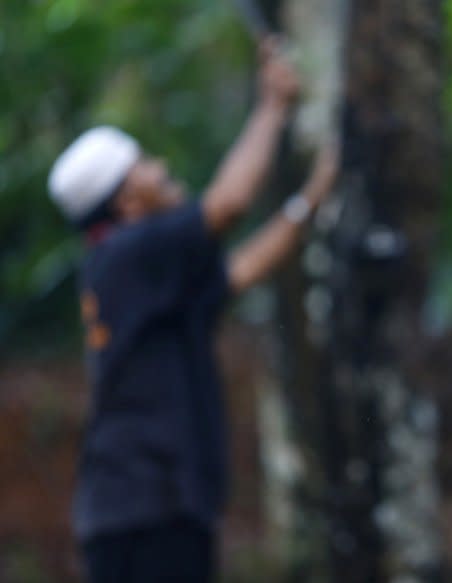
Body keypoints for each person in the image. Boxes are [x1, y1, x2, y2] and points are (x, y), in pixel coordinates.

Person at [47, 38, 338, 583]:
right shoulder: (129, 254)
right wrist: (272, 106)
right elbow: (228, 203)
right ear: (127, 201)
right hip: (147, 508)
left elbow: (240, 270)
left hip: (155, 508)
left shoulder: (139, 274)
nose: (160, 169)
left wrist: (312, 198)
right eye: (144, 167)